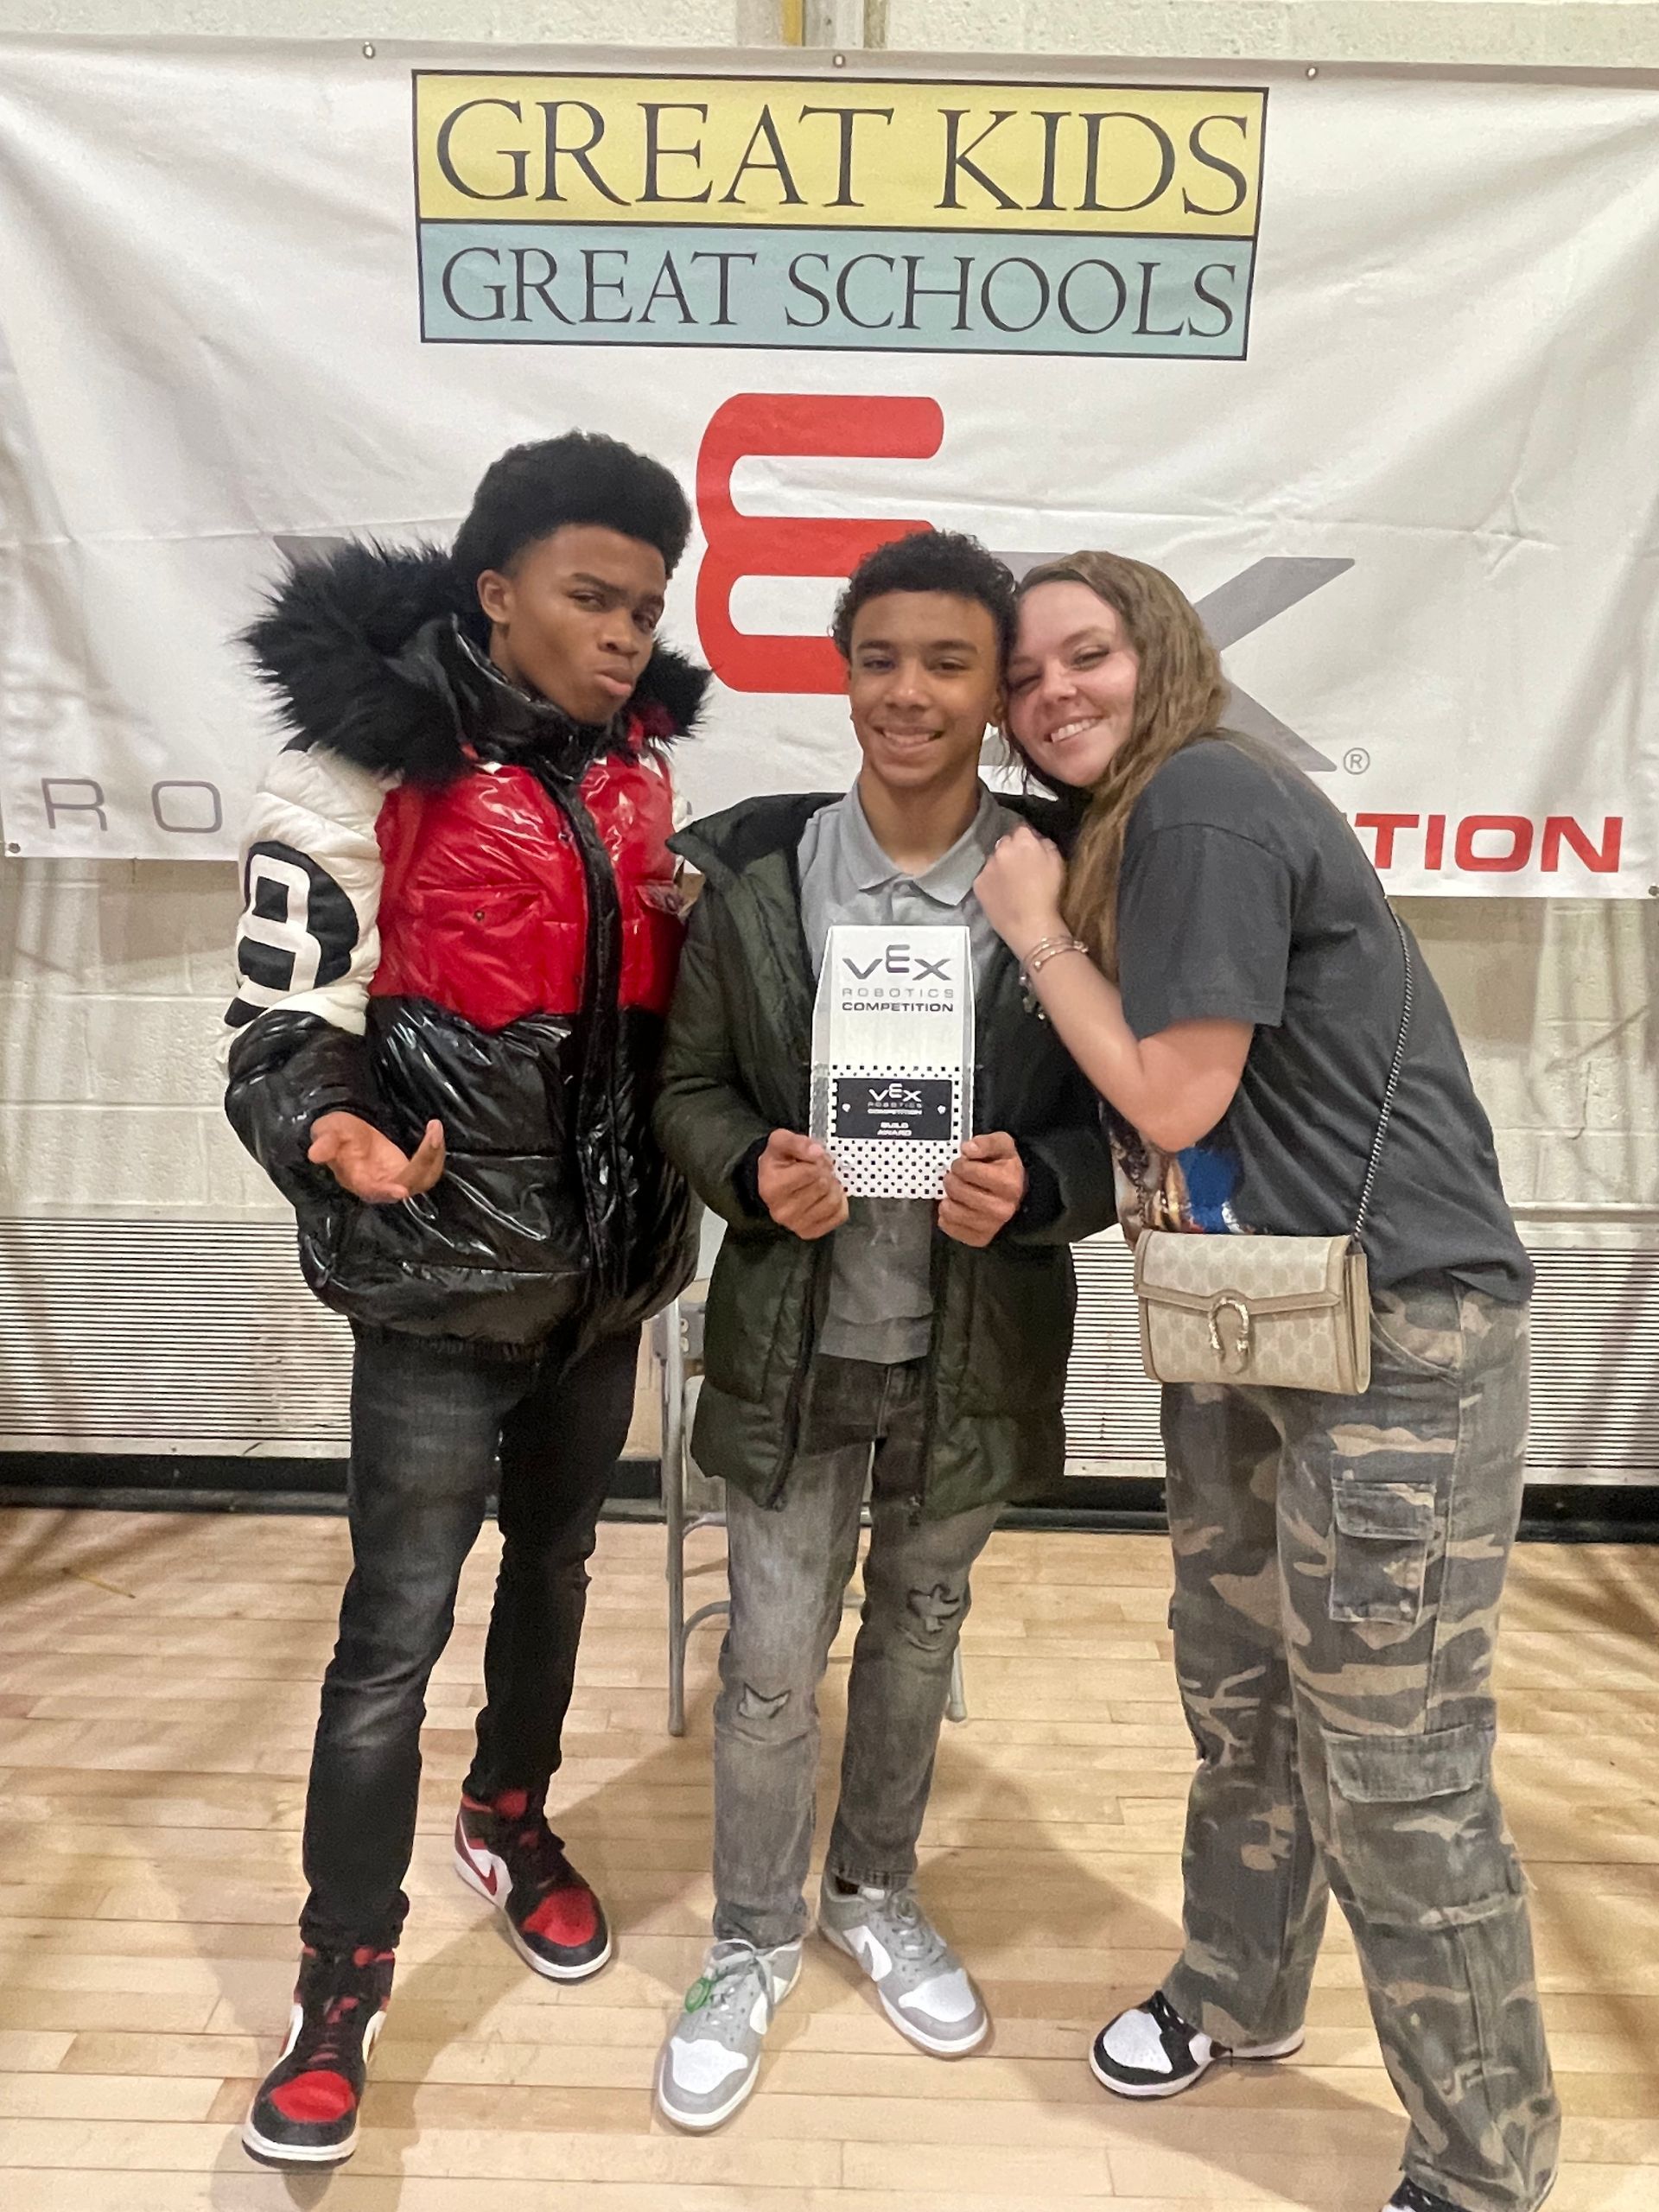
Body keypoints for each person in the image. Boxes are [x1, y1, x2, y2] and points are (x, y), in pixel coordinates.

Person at [974, 550, 1559, 2212]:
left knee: (1398, 1762)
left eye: (1084, 654)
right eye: (1027, 676)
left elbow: (1169, 1093)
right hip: (1248, 1315)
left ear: (1160, 651)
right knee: (1240, 1698)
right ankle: (1240, 1988)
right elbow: (1167, 1126)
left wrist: (1030, 936)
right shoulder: (1132, 832)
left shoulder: (1208, 802)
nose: (1053, 693)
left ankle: (1485, 2164)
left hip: (1396, 1331)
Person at [221, 431, 707, 2167]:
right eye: (593, 594)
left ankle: (513, 1811)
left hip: (601, 1287)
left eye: (650, 602)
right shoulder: (362, 758)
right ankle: (339, 1982)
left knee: (561, 1572)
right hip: (434, 1290)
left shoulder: (644, 770)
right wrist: (327, 1128)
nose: (629, 631)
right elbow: (279, 1021)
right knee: (385, 1645)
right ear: (494, 589)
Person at [648, 530, 1117, 2131]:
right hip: (799, 1339)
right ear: (843, 671)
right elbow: (685, 1094)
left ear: (999, 692)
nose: (907, 693)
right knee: (773, 1666)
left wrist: (1039, 1181)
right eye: (879, 659)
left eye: (948, 664)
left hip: (970, 1347)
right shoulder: (760, 886)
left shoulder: (1060, 882)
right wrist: (747, 1167)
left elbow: (1127, 1122)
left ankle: (875, 1890)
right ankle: (752, 1935)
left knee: (918, 1634)